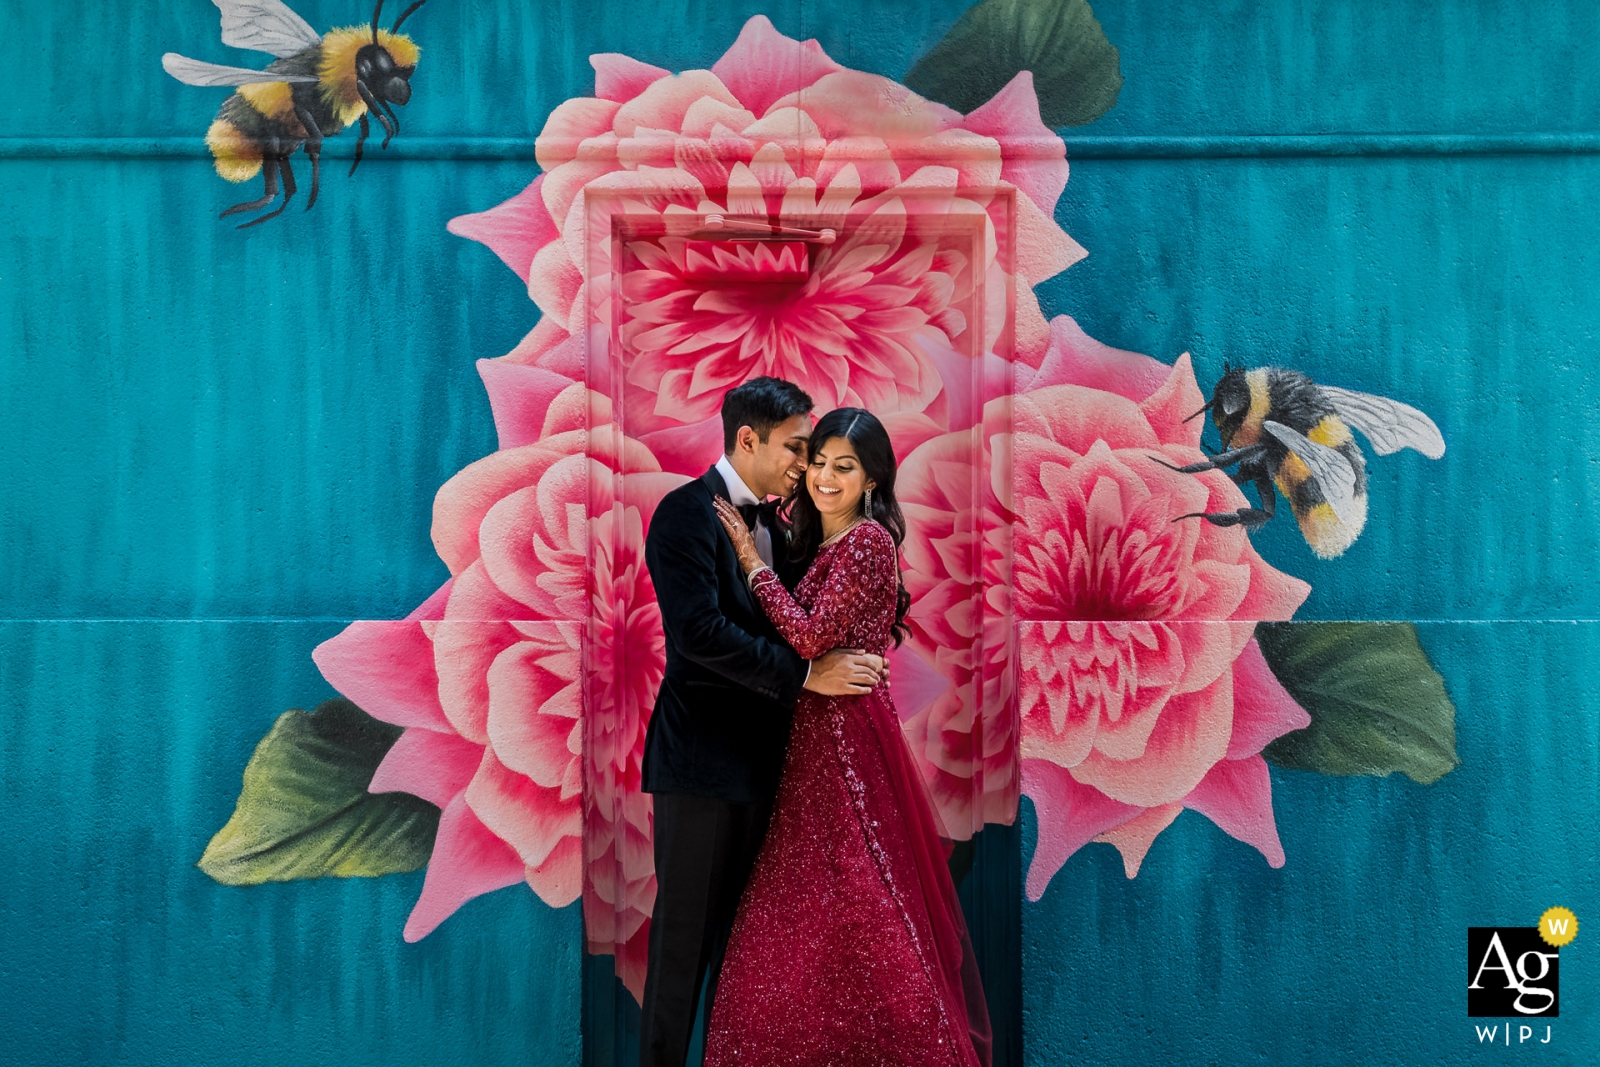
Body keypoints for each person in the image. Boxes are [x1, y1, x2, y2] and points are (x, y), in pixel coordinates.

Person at [703, 408, 992, 1067]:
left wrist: (750, 561)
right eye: (821, 463)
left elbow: (806, 637)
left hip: (842, 746)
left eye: (846, 467)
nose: (828, 478)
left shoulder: (866, 543)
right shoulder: (821, 540)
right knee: (804, 904)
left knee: (855, 896)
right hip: (807, 743)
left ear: (871, 481)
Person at [640, 378, 891, 1067]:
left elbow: (813, 621)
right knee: (681, 953)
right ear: (746, 439)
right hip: (699, 771)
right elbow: (699, 634)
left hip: (775, 776)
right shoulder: (682, 515)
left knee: (753, 964)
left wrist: (862, 653)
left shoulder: (784, 528)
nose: (804, 465)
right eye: (795, 448)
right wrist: (811, 674)